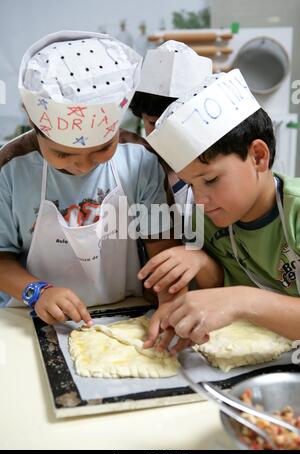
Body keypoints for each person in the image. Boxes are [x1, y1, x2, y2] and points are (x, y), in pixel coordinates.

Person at [0, 30, 182, 330]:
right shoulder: (11, 169)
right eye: (62, 154)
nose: (82, 165)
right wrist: (37, 291)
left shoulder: (141, 161)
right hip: (29, 319)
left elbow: (162, 249)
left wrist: (170, 307)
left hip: (126, 314)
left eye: (101, 149)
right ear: (34, 126)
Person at [139, 69, 300, 353]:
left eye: (211, 180)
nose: (200, 200)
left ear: (258, 156)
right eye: (190, 185)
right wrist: (199, 262)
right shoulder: (209, 218)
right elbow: (224, 279)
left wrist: (240, 300)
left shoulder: (295, 211)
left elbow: (236, 295)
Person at [129, 40, 212, 207]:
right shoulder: (134, 172)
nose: (163, 135)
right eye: (153, 123)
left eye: (173, 123)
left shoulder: (215, 170)